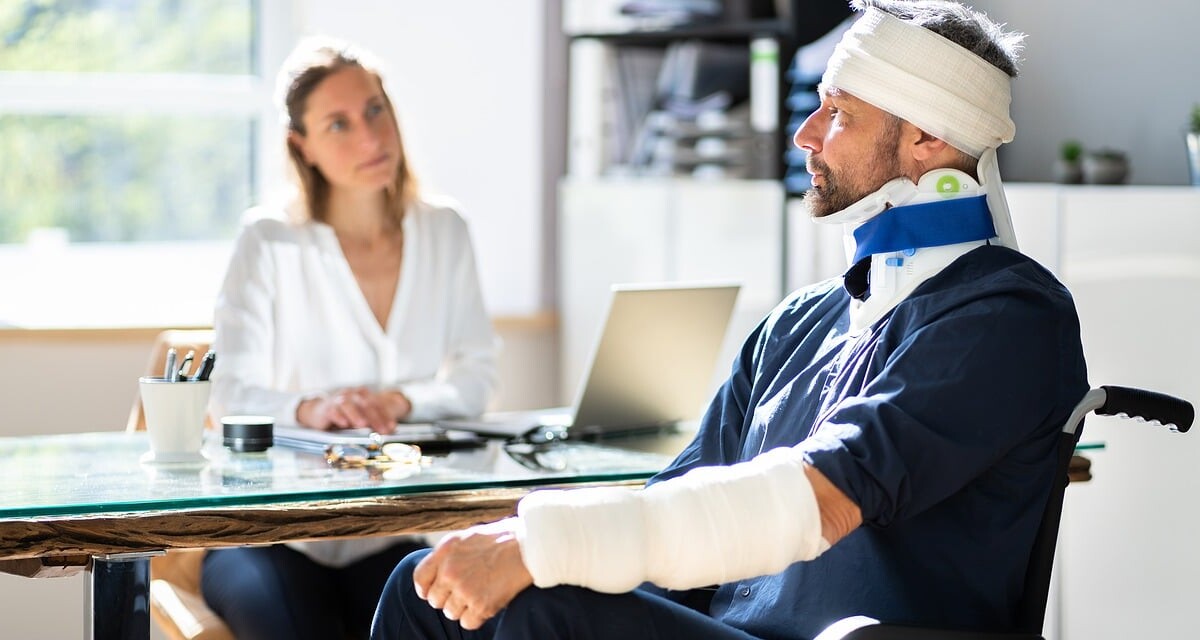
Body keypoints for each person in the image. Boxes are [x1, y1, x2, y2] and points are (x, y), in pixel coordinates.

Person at [371, 1, 1089, 639]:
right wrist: (526, 555)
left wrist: (546, 547)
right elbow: (681, 500)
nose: (805, 134)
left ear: (928, 140)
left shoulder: (1008, 318)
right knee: (427, 587)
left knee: (542, 608)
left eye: (839, 114)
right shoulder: (798, 323)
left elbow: (822, 499)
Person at [202, 36, 498, 640]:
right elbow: (226, 392)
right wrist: (313, 408)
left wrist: (401, 402)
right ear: (301, 146)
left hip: (391, 529)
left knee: (454, 621)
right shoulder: (268, 240)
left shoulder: (445, 231)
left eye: (375, 110)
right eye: (339, 124)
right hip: (271, 535)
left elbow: (478, 379)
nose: (370, 137)